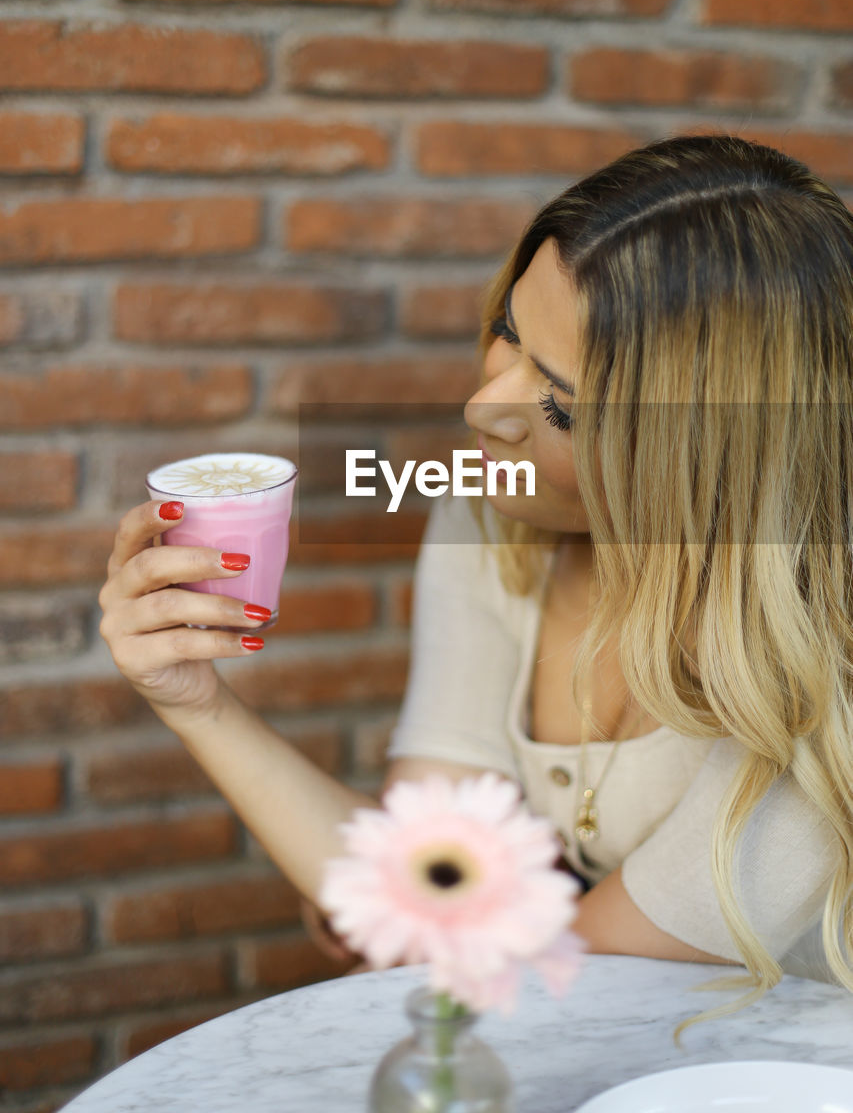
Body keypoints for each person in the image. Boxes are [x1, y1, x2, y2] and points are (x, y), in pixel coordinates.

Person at [99, 134, 853, 1034]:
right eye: (507, 331)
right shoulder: (495, 520)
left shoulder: (816, 688)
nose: (484, 407)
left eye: (563, 405)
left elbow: (538, 986)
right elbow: (417, 877)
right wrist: (192, 700)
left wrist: (416, 911)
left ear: (708, 456)